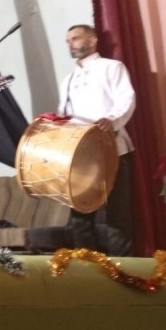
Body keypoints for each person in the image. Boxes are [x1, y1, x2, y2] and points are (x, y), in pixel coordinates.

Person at [58, 24, 135, 255]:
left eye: (75, 38)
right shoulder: (68, 80)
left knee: (118, 217)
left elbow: (126, 99)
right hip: (80, 157)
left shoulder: (112, 67)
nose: (70, 44)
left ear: (92, 41)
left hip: (113, 150)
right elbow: (64, 114)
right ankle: (89, 270)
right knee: (80, 219)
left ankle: (123, 270)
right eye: (68, 40)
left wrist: (111, 120)